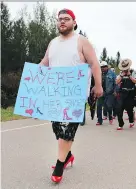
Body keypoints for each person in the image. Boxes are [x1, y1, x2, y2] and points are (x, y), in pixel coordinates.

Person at [39, 9, 103, 183]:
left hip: (75, 95)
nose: (62, 22)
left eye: (66, 19)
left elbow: (94, 64)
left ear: (74, 22)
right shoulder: (53, 43)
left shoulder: (81, 41)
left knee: (68, 131)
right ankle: (68, 155)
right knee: (57, 129)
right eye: (59, 19)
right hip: (55, 95)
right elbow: (45, 63)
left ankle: (60, 165)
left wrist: (98, 85)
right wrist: (30, 77)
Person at [116, 59, 136, 130]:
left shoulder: (134, 72)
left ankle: (131, 121)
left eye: (126, 68)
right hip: (122, 93)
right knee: (119, 108)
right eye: (123, 68)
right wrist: (121, 76)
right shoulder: (121, 73)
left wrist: (129, 76)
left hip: (130, 93)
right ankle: (120, 124)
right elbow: (116, 82)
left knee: (129, 109)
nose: (125, 70)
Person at [96, 61, 116, 125]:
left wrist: (115, 91)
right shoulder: (99, 73)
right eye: (101, 67)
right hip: (101, 92)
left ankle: (110, 117)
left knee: (109, 106)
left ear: (107, 67)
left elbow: (115, 83)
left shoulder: (112, 73)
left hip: (110, 92)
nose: (103, 68)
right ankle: (99, 120)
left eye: (104, 67)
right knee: (99, 106)